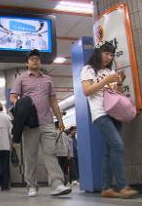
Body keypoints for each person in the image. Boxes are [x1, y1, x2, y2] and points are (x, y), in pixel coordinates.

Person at [10, 49, 71, 197]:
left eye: (37, 58)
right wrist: (22, 106)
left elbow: (53, 101)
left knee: (51, 153)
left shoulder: (48, 79)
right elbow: (13, 97)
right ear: (27, 63)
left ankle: (57, 184)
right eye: (32, 59)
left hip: (47, 122)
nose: (35, 60)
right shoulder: (21, 79)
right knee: (30, 156)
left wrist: (60, 120)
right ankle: (31, 185)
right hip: (30, 124)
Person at [80, 41, 138, 198]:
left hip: (115, 112)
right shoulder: (88, 69)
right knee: (118, 145)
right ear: (99, 53)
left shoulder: (109, 70)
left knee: (109, 150)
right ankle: (122, 186)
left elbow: (115, 93)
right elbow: (87, 91)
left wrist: (118, 82)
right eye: (106, 53)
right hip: (100, 113)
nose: (109, 57)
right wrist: (105, 81)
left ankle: (106, 188)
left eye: (111, 55)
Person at [0, 101, 13, 191]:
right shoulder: (7, 117)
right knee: (5, 165)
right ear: (2, 108)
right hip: (5, 145)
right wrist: (12, 141)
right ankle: (5, 185)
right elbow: (11, 131)